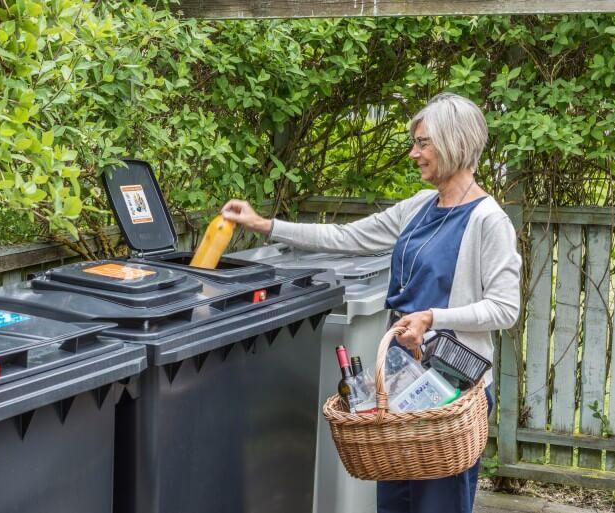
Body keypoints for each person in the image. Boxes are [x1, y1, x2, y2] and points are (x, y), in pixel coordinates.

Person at [221, 92, 522, 513]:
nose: (413, 153)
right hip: (399, 383)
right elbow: (349, 238)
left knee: (439, 505)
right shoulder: (419, 207)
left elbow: (505, 309)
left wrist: (433, 317)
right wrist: (265, 225)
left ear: (454, 143)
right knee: (394, 504)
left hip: (449, 389)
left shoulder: (489, 221)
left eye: (423, 143)